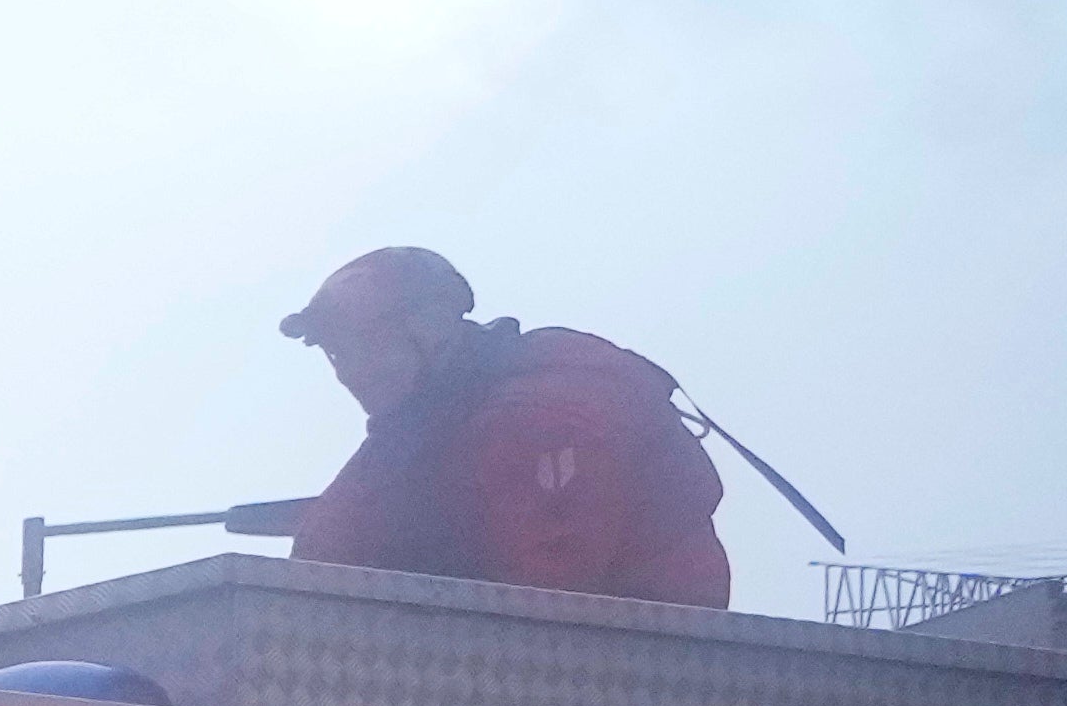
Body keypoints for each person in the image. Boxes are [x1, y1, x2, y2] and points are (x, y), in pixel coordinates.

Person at [275, 246, 733, 608]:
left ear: (430, 326)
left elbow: (548, 594)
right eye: (333, 352)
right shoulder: (423, 424)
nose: (349, 370)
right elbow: (333, 541)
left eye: (360, 343)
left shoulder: (545, 415)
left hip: (631, 674)